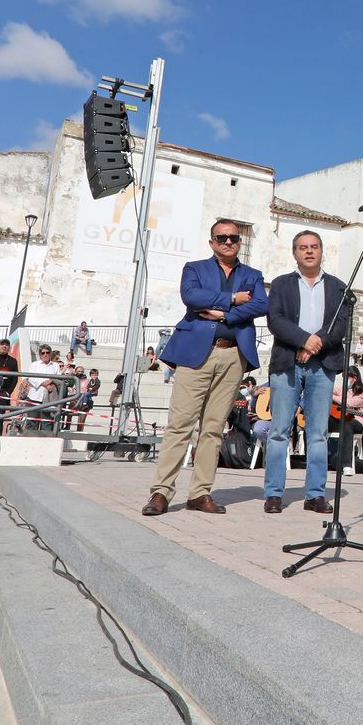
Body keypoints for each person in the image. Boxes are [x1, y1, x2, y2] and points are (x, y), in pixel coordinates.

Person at [142, 220, 269, 516]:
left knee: (212, 429)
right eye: (221, 238)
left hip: (233, 355)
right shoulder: (195, 268)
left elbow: (261, 305)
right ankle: (161, 492)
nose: (228, 242)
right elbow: (191, 297)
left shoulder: (252, 274)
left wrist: (223, 315)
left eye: (233, 238)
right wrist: (232, 300)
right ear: (212, 242)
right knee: (180, 425)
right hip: (195, 354)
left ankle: (200, 493)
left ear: (239, 242)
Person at [262, 230, 349, 514]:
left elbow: (340, 326)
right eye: (303, 247)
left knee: (318, 433)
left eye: (314, 247)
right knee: (279, 430)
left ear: (322, 251)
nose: (309, 251)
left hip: (322, 365)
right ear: (294, 253)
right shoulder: (280, 284)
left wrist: (315, 344)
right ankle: (274, 494)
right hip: (287, 364)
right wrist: (303, 339)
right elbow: (275, 320)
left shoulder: (338, 287)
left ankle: (315, 494)